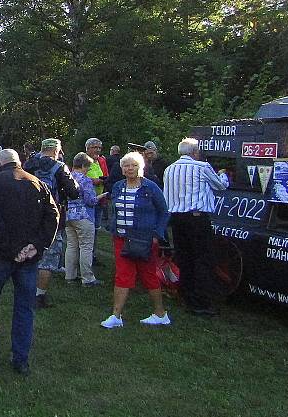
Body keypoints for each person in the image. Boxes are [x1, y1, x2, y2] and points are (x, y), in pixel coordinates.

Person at [0, 149, 58, 375]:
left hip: (2, 255)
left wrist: (16, 249)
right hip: (27, 256)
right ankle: (21, 359)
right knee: (25, 307)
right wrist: (37, 245)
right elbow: (53, 214)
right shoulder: (37, 182)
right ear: (19, 162)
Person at [101, 151, 171, 328]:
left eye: (133, 165)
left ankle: (160, 314)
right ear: (122, 169)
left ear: (141, 168)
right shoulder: (117, 186)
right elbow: (113, 209)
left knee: (148, 275)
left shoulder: (150, 187)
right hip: (122, 239)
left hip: (145, 239)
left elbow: (164, 212)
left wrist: (157, 234)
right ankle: (116, 316)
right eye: (126, 165)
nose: (130, 168)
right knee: (122, 275)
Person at [163, 138, 228, 316]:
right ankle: (201, 302)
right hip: (197, 218)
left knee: (185, 258)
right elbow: (220, 186)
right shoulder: (202, 167)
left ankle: (186, 295)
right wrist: (223, 173)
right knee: (202, 259)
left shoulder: (169, 169)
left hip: (177, 219)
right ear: (195, 152)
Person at [24, 138, 80, 308]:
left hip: (28, 216)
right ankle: (39, 296)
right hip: (52, 217)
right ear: (57, 151)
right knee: (49, 257)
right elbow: (74, 192)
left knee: (28, 253)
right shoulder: (60, 167)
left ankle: (25, 290)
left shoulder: (28, 164)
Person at [66, 152, 105, 286]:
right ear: (83, 166)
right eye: (87, 167)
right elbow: (91, 201)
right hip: (84, 216)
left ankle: (70, 276)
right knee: (86, 247)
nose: (88, 170)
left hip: (68, 216)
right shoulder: (85, 180)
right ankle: (87, 278)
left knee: (71, 246)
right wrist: (102, 196)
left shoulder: (66, 177)